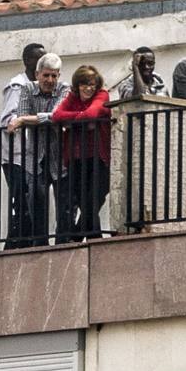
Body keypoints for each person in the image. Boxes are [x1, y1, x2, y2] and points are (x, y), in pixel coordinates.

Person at [4, 52, 68, 247]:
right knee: (36, 207)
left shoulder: (65, 89)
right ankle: (40, 247)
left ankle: (63, 246)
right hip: (35, 158)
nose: (50, 80)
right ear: (38, 74)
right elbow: (23, 114)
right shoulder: (26, 88)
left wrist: (26, 120)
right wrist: (31, 119)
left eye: (54, 76)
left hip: (60, 158)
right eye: (46, 75)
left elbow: (57, 115)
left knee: (64, 208)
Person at [49, 65, 112, 241]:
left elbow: (92, 113)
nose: (88, 88)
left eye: (92, 84)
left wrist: (72, 121)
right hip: (76, 159)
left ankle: (76, 236)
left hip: (99, 158)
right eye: (84, 84)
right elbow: (56, 116)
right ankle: (95, 242)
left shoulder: (102, 95)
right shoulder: (72, 97)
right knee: (86, 205)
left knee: (92, 202)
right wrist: (81, 119)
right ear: (77, 86)